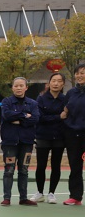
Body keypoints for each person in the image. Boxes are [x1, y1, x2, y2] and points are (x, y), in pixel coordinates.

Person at [0, 77, 40, 206]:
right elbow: (6, 115)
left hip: (27, 142)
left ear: (26, 87)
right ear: (12, 88)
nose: (18, 88)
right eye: (16, 85)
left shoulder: (33, 103)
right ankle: (7, 198)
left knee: (24, 170)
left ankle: (23, 198)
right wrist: (24, 116)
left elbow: (35, 119)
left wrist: (18, 120)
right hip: (10, 142)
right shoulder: (6, 102)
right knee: (9, 170)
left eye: (21, 85)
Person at [31, 72, 67, 203]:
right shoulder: (41, 99)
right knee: (41, 165)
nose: (56, 83)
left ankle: (52, 193)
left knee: (56, 165)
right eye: (54, 81)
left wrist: (58, 118)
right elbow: (40, 117)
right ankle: (39, 192)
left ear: (63, 84)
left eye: (59, 81)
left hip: (59, 136)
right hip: (43, 136)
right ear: (49, 83)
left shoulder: (65, 99)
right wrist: (58, 117)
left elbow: (67, 116)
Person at [61, 63, 85, 206]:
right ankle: (75, 196)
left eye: (82, 73)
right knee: (75, 166)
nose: (79, 76)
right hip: (72, 134)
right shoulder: (71, 93)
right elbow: (66, 110)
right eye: (77, 73)